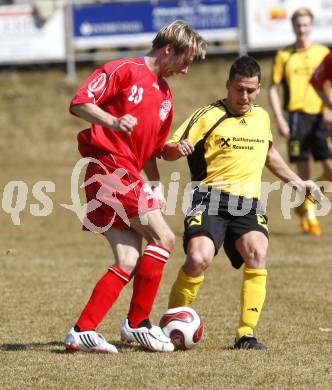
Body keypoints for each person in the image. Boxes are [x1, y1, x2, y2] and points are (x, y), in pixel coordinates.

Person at [64, 20, 207, 354]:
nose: (185, 71)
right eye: (185, 61)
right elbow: (79, 102)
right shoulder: (123, 70)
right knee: (165, 238)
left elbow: (152, 150)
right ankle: (138, 323)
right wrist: (112, 121)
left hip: (127, 171)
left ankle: (81, 331)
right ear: (169, 49)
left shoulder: (166, 97)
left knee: (128, 259)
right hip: (107, 166)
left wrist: (163, 168)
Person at [162, 55, 323, 350]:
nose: (244, 96)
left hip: (247, 203)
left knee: (257, 252)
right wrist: (178, 149)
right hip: (209, 198)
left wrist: (299, 184)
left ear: (259, 89)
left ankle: (245, 334)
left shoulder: (261, 118)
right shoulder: (207, 115)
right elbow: (168, 148)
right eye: (239, 90)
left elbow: (269, 155)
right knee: (198, 258)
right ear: (228, 86)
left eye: (250, 90)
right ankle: (169, 324)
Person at [268, 7, 332, 236]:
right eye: (298, 25)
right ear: (293, 27)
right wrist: (279, 119)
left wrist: (329, 108)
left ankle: (304, 204)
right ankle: (310, 216)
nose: (302, 29)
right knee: (302, 171)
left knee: (330, 169)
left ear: (311, 26)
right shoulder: (284, 55)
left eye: (305, 25)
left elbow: (328, 84)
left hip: (321, 117)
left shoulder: (323, 52)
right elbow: (273, 87)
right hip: (295, 118)